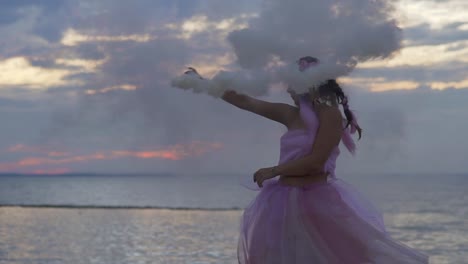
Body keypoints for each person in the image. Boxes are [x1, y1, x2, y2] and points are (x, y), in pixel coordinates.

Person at [217, 56, 429, 263]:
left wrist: (273, 170)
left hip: (316, 203)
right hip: (280, 203)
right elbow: (246, 102)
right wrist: (205, 85)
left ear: (307, 84)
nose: (289, 90)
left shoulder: (330, 115)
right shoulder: (290, 114)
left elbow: (317, 162)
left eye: (292, 84)